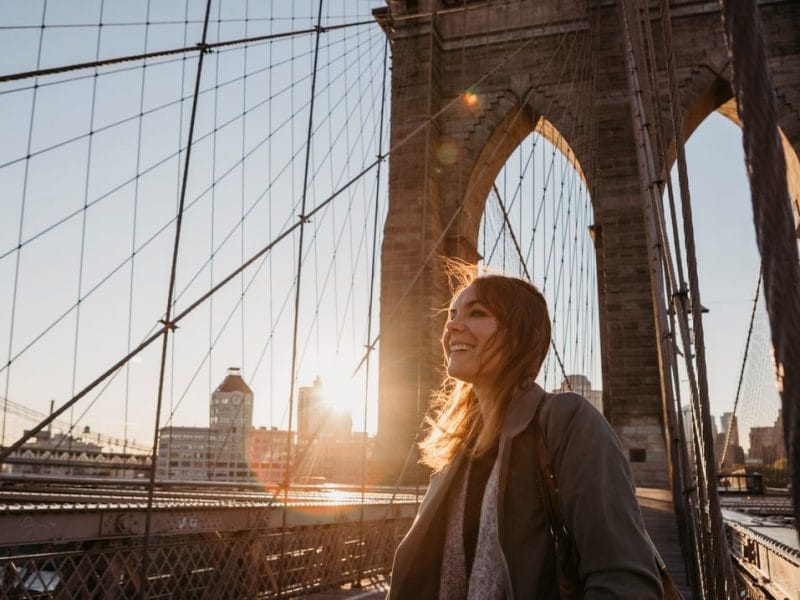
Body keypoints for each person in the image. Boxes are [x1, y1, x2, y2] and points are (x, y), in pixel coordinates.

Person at [387, 267, 663, 599]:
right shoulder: (455, 447)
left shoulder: (566, 421)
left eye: (477, 313)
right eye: (452, 313)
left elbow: (623, 577)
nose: (452, 326)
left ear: (521, 336)